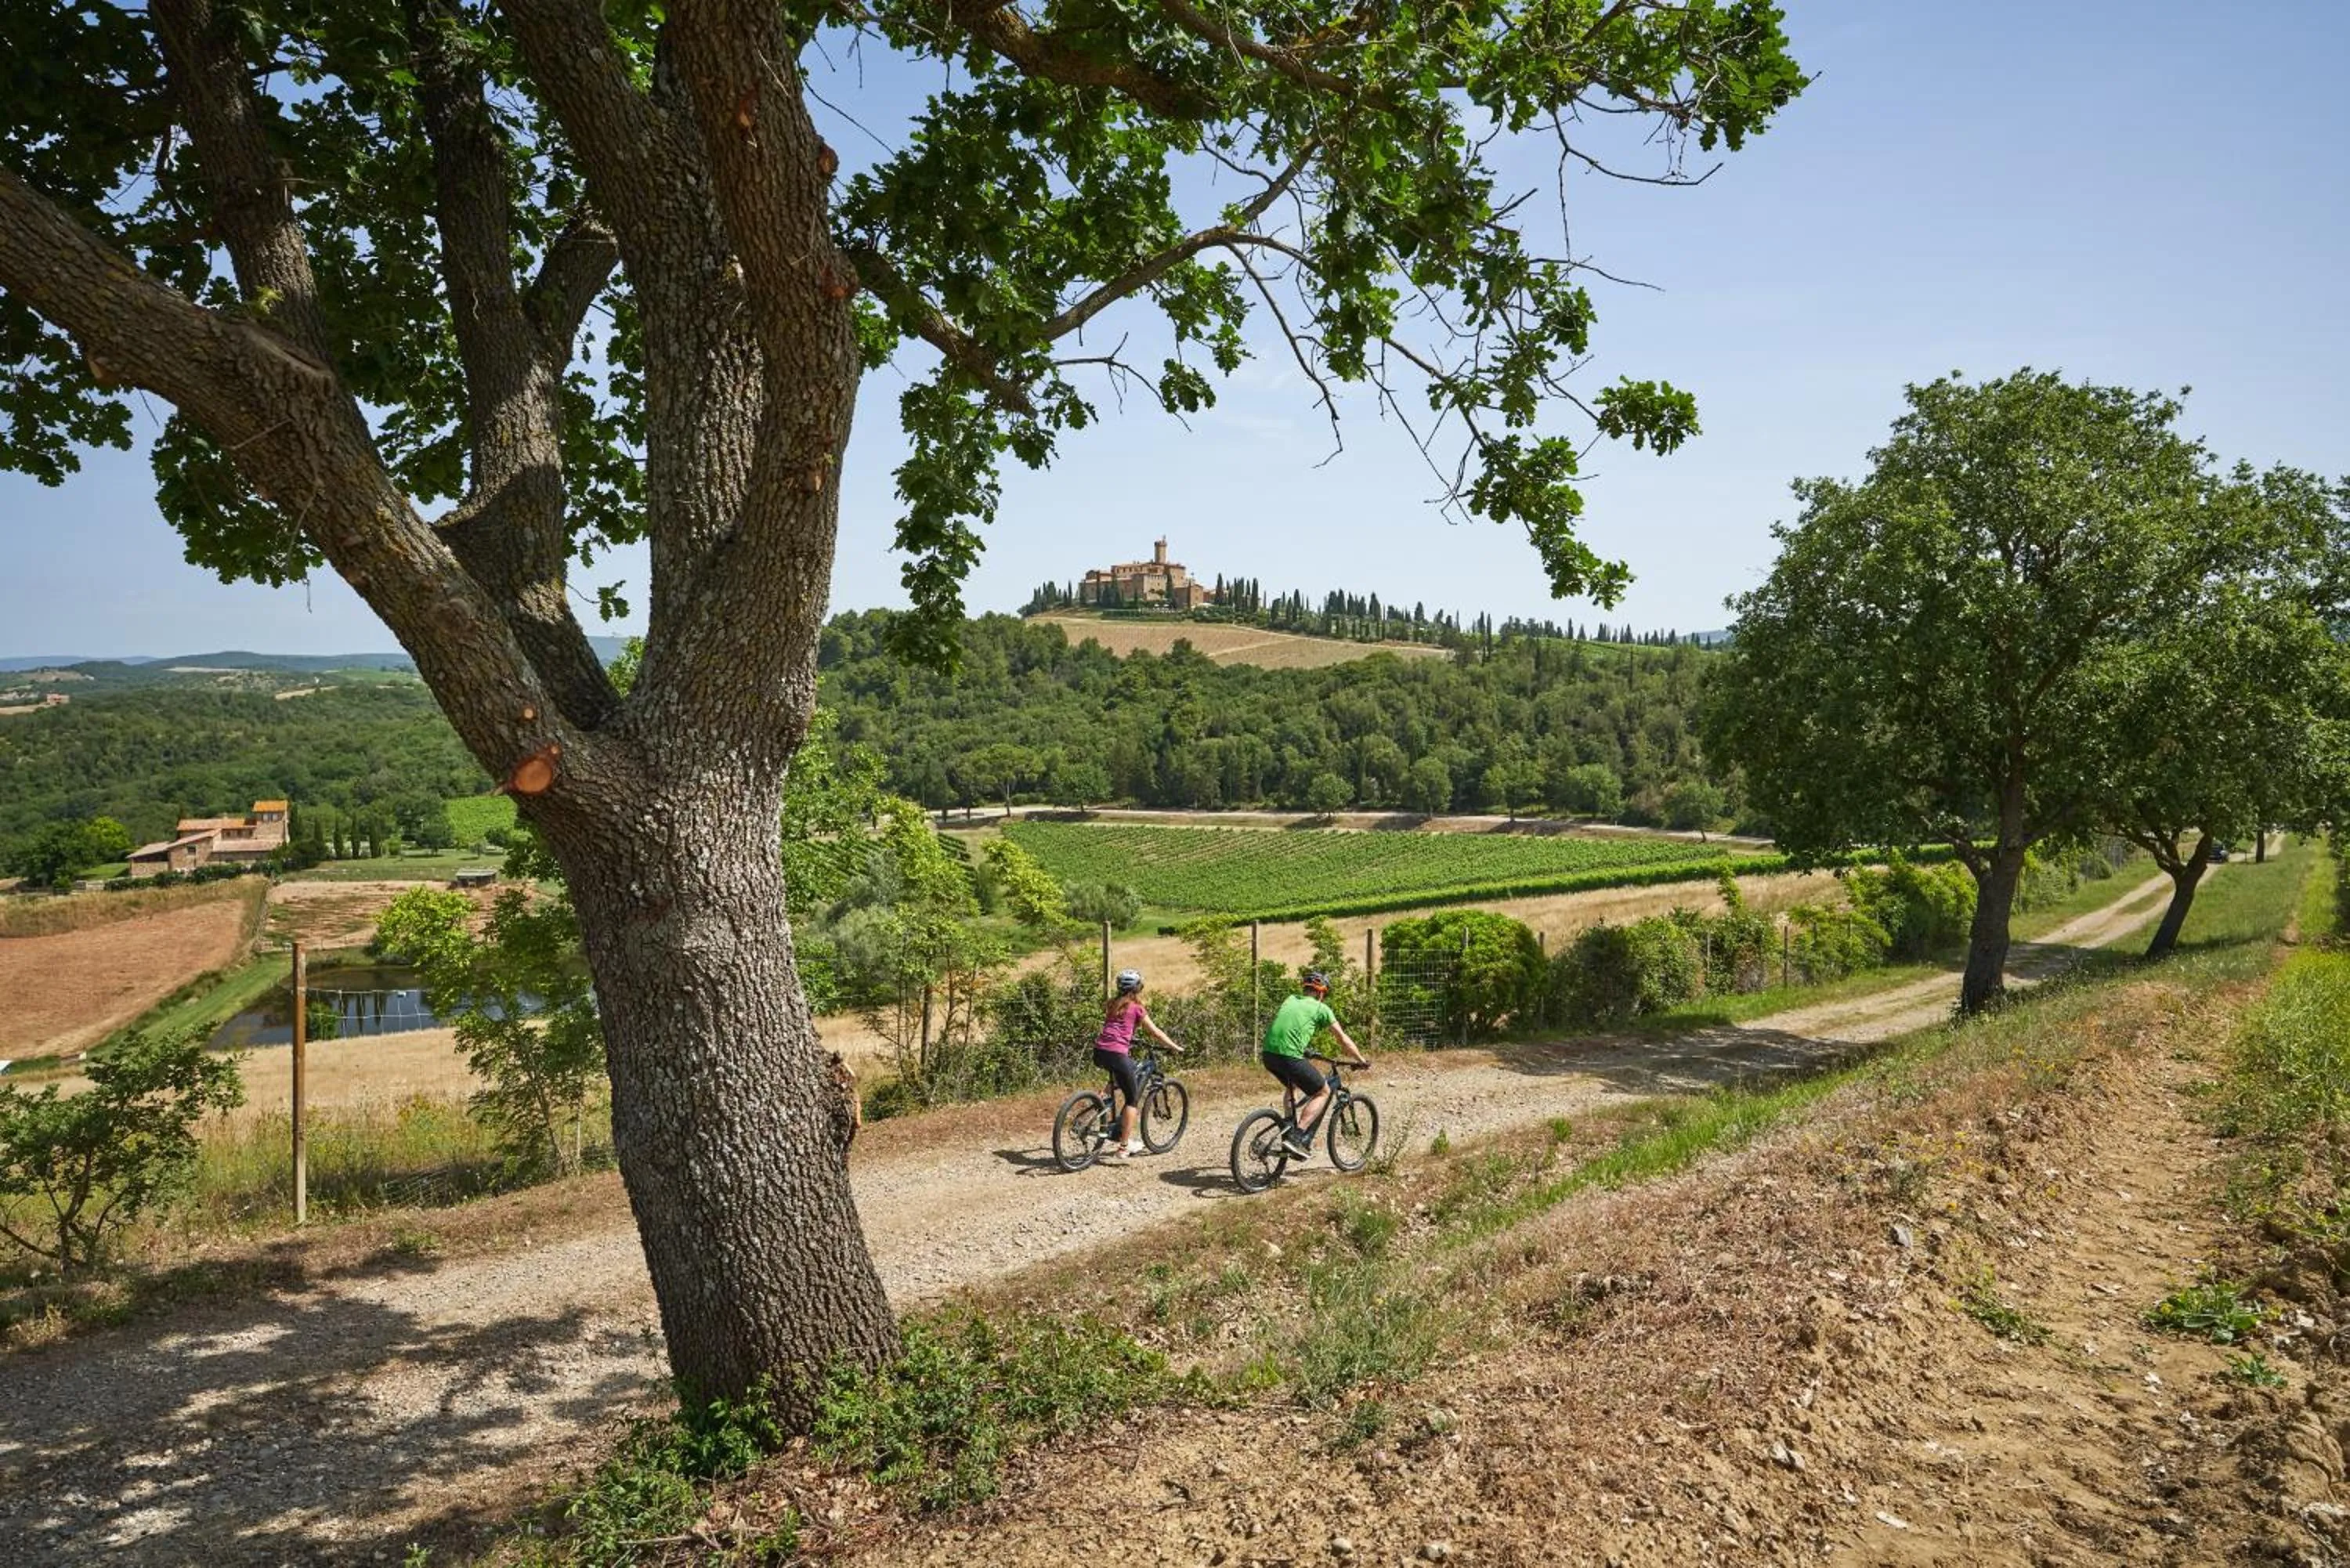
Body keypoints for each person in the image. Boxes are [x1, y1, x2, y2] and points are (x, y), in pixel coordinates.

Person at [1261, 969, 1368, 1158]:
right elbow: (1343, 1040)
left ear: (1306, 989)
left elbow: (1288, 1027)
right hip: (1289, 1056)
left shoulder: (1291, 999)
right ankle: (1296, 1136)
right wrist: (1361, 1060)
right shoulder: (1322, 1009)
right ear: (1321, 993)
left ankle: (1287, 1124)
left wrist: (1303, 1049)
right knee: (1323, 1091)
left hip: (1268, 1055)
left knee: (1292, 1084)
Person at [1094, 969, 1183, 1162]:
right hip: (1117, 1053)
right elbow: (1156, 1033)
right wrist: (1175, 1047)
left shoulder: (1112, 1004)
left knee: (1127, 1070)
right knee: (1132, 1100)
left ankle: (1101, 1098)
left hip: (1100, 1051)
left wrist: (1128, 1041)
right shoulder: (1137, 1008)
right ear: (1137, 988)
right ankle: (1124, 1148)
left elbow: (1116, 1028)